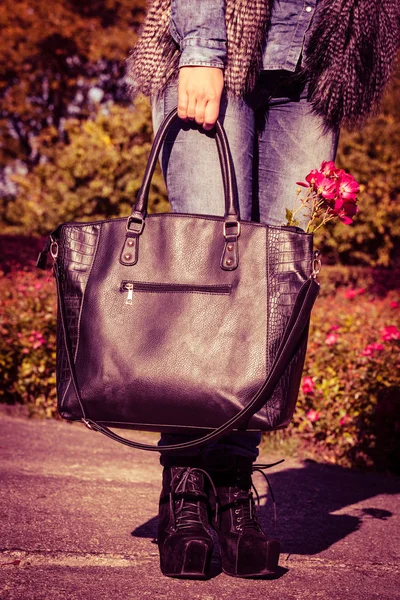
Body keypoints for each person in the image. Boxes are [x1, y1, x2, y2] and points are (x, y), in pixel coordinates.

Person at [127, 0, 400, 580]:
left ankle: (230, 485)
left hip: (317, 70)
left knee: (277, 287)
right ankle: (185, 484)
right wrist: (200, 47)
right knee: (208, 279)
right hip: (221, 40)